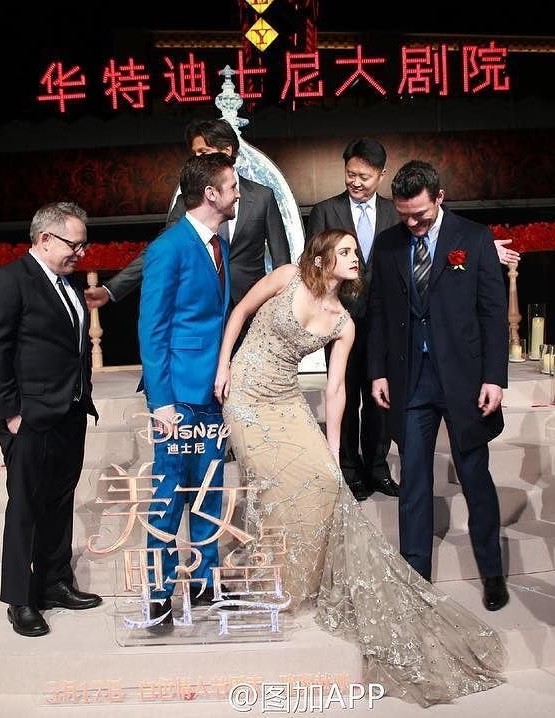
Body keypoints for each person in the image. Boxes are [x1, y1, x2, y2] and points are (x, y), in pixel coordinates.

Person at [215, 228, 505, 706]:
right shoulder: (287, 276)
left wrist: (333, 448)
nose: (354, 258)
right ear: (322, 257)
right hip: (245, 393)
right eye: (345, 251)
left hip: (286, 399)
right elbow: (241, 311)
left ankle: (291, 575)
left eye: (355, 252)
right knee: (274, 483)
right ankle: (267, 578)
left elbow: (336, 389)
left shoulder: (343, 322)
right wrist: (224, 366)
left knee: (324, 481)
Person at [366, 160, 510, 612]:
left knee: (475, 477)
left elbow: (493, 314)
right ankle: (416, 579)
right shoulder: (388, 244)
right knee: (413, 480)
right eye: (404, 215)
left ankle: (492, 572)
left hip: (464, 379)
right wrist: (377, 371)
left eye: (420, 215)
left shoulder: (474, 239)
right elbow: (378, 311)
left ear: (440, 198)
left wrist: (494, 378)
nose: (412, 224)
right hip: (410, 379)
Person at [0, 201, 102, 637]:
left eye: (83, 245)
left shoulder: (67, 285)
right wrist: (9, 413)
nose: (80, 253)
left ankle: (54, 582)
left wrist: (80, 395)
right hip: (29, 416)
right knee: (25, 507)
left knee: (59, 500)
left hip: (69, 411)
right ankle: (20, 599)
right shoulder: (8, 281)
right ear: (45, 239)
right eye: (74, 245)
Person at [137, 152, 235, 627]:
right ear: (210, 194)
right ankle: (158, 593)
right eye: (232, 187)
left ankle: (204, 582)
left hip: (213, 391)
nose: (238, 194)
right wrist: (160, 401)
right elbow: (152, 329)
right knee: (170, 492)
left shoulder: (219, 243)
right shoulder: (169, 247)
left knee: (209, 490)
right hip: (177, 395)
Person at [85, 118, 290, 311]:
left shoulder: (262, 197)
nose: (197, 159)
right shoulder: (187, 202)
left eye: (203, 152)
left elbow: (282, 262)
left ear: (227, 151)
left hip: (253, 305)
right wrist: (111, 289)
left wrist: (280, 309)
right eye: (195, 154)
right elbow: (161, 249)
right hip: (203, 306)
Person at [306, 138, 401, 501]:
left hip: (384, 323)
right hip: (339, 319)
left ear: (381, 175)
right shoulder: (325, 211)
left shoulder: (395, 212)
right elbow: (312, 264)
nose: (356, 182)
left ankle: (377, 467)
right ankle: (349, 467)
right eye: (350, 174)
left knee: (380, 396)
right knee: (343, 394)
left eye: (364, 176)